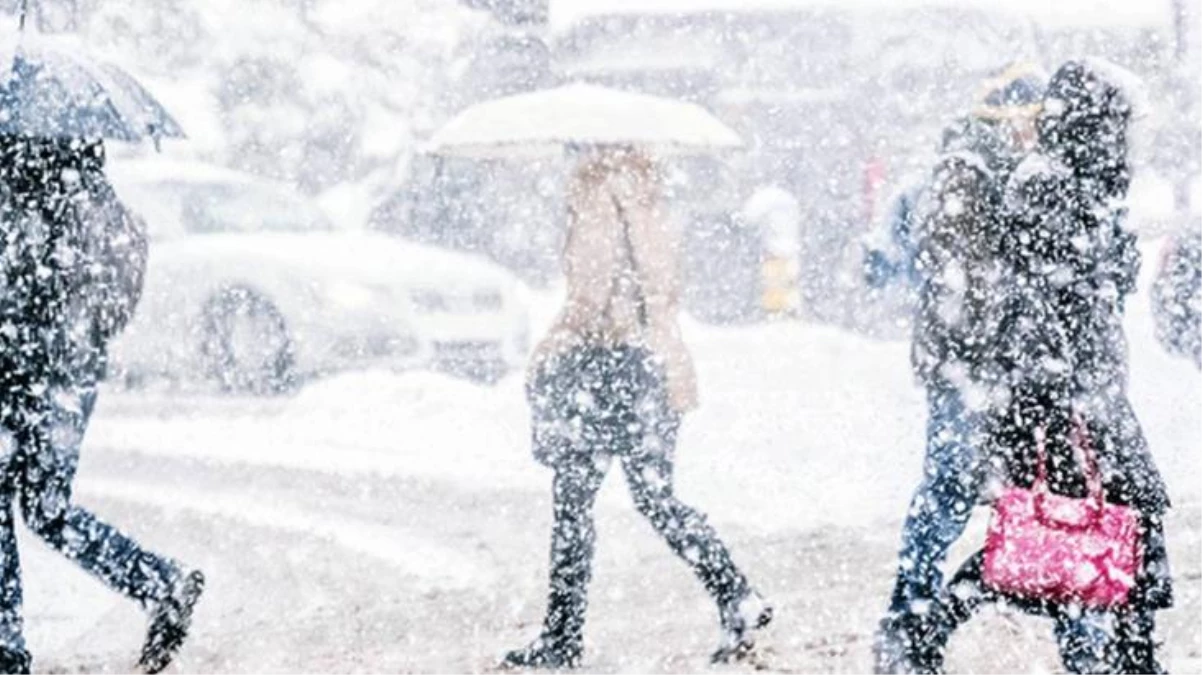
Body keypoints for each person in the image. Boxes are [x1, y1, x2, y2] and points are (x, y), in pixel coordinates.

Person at [922, 59, 1172, 674]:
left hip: (1084, 389)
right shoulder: (1047, 185)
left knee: (1083, 527)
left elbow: (1091, 285)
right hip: (1057, 395)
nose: (1126, 144)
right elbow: (1035, 301)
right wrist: (1059, 394)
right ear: (1093, 125)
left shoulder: (1079, 183)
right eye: (1118, 127)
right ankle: (927, 633)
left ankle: (1129, 656)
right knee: (1054, 532)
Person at [501, 147, 770, 669]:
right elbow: (661, 287)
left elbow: (591, 296)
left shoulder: (595, 196)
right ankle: (735, 592)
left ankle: (562, 639)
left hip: (604, 367)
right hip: (656, 364)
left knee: (573, 504)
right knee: (655, 496)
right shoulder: (649, 199)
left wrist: (551, 345)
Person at [0, 136, 204, 675]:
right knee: (45, 508)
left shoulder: (29, 197)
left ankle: (7, 647)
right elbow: (109, 303)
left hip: (27, 370)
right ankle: (160, 583)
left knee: (27, 505)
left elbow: (22, 294)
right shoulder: (93, 197)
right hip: (68, 374)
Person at [874, 64, 1047, 672]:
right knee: (947, 492)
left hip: (983, 369)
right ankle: (907, 623)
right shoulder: (968, 171)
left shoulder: (991, 170)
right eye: (1032, 121)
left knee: (981, 494)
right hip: (966, 370)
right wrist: (1003, 328)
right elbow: (961, 282)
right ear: (1010, 118)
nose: (1037, 135)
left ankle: (922, 621)